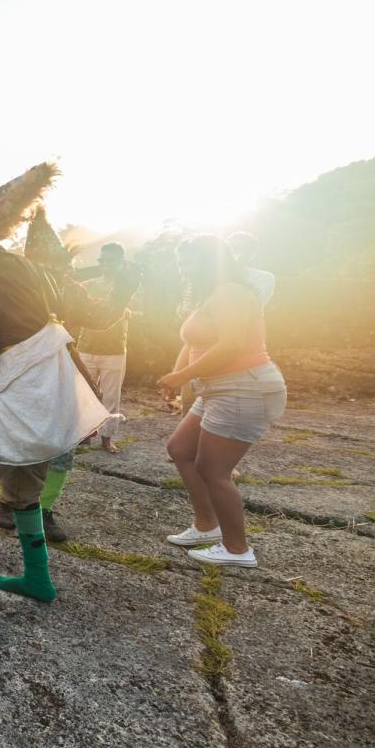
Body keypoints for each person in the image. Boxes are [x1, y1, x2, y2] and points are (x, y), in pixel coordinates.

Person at [0, 162, 107, 607]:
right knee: (23, 484)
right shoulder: (25, 267)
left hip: (14, 385)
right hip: (49, 380)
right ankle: (37, 578)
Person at [159, 235, 286, 568]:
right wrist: (178, 376)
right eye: (181, 262)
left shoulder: (232, 292)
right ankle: (206, 526)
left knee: (214, 470)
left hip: (245, 387)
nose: (185, 269)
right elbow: (192, 344)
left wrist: (181, 377)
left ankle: (237, 549)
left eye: (190, 262)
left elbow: (230, 346)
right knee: (181, 449)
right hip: (220, 388)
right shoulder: (212, 295)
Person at [17, 209, 140, 541]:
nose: (57, 273)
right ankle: (10, 505)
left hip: (60, 370)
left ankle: (42, 508)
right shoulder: (11, 287)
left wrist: (123, 292)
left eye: (60, 267)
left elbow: (97, 317)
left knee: (61, 448)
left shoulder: (68, 287)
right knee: (17, 444)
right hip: (20, 374)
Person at [76, 243, 131, 454]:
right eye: (102, 260)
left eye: (110, 261)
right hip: (86, 347)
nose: (105, 264)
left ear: (120, 262)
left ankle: (107, 438)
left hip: (115, 349)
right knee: (84, 395)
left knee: (110, 398)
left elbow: (139, 310)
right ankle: (85, 434)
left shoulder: (127, 288)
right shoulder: (87, 285)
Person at [226, 231, 276, 308]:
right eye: (227, 248)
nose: (230, 252)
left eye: (236, 249)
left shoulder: (264, 278)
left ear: (250, 255)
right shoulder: (210, 275)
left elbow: (249, 306)